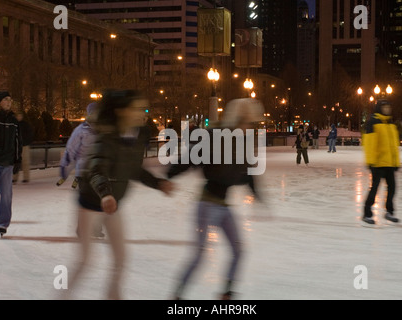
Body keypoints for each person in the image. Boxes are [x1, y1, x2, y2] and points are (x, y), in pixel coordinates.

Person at [64, 90, 173, 300]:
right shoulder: (106, 138)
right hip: (90, 203)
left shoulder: (136, 136)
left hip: (113, 204)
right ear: (122, 112)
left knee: (121, 258)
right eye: (138, 109)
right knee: (85, 261)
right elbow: (96, 170)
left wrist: (159, 183)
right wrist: (105, 195)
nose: (144, 113)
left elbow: (134, 169)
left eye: (144, 109)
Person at [167, 98, 264, 300]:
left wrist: (257, 195)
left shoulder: (241, 144)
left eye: (252, 124)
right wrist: (171, 173)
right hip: (206, 204)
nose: (250, 128)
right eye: (248, 123)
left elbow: (247, 173)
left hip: (223, 206)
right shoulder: (215, 137)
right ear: (237, 119)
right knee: (200, 254)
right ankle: (177, 296)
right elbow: (191, 156)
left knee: (239, 250)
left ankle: (226, 293)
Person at [0, 91, 22, 238]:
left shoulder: (13, 120)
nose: (9, 102)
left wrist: (17, 159)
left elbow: (17, 141)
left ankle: (3, 224)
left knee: (7, 195)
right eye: (6, 99)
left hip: (7, 164)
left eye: (11, 99)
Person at [362, 100, 400, 225]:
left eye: (389, 107)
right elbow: (369, 144)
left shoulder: (391, 124)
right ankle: (367, 213)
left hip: (389, 163)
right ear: (379, 108)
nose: (387, 109)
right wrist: (371, 161)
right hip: (377, 163)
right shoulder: (373, 123)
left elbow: (394, 146)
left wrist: (396, 162)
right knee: (375, 188)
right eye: (385, 107)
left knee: (393, 188)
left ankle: (389, 212)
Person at [57, 103, 97, 189]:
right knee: (78, 163)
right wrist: (66, 160)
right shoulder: (82, 129)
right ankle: (70, 177)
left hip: (92, 162)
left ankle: (78, 178)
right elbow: (72, 145)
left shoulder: (103, 129)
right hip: (81, 157)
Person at [13, 111, 34, 183]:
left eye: (20, 115)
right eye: (18, 116)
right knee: (15, 162)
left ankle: (26, 178)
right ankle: (14, 177)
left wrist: (26, 142)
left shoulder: (25, 124)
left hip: (24, 146)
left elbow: (30, 134)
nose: (19, 117)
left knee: (25, 162)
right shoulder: (14, 124)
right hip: (16, 146)